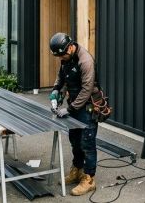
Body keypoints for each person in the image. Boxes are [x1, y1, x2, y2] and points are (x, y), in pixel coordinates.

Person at [49, 32, 98, 196]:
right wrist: (56, 90)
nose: (60, 58)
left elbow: (87, 89)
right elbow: (61, 77)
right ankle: (77, 170)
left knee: (87, 143)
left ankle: (89, 179)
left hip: (87, 106)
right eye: (58, 56)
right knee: (75, 140)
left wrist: (69, 109)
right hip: (74, 105)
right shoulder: (65, 57)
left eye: (62, 55)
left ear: (70, 47)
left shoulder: (85, 61)